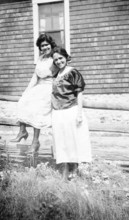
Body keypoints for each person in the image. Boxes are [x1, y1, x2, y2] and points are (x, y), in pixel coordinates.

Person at [11, 33, 57, 153]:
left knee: (37, 109)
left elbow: (53, 74)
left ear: (51, 45)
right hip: (39, 86)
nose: (45, 48)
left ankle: (35, 142)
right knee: (23, 101)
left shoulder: (55, 57)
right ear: (40, 47)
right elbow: (35, 76)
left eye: (46, 45)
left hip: (49, 87)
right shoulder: (41, 58)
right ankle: (22, 131)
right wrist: (26, 91)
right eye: (42, 46)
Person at [51, 47, 92, 180]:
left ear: (66, 57)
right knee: (62, 141)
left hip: (71, 110)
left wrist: (79, 113)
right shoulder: (56, 74)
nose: (58, 61)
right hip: (58, 112)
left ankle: (74, 170)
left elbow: (79, 93)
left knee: (73, 140)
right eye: (56, 59)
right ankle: (65, 170)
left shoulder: (72, 72)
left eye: (60, 58)